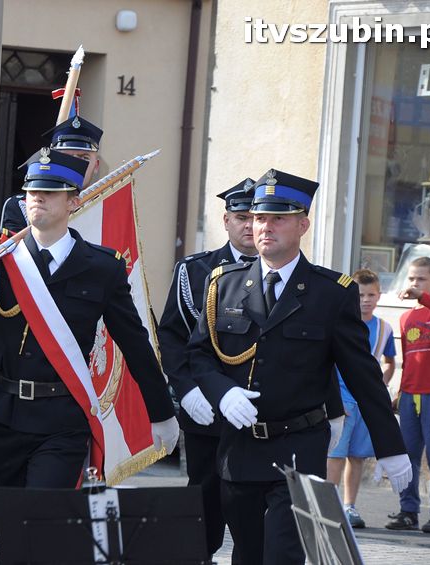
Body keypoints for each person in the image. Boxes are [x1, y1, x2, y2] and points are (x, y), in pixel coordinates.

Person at [182, 168, 410, 565]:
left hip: (298, 448)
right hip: (240, 447)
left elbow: (363, 375)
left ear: (302, 224)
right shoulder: (224, 284)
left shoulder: (332, 293)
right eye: (258, 218)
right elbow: (199, 355)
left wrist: (391, 447)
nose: (264, 227)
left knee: (282, 553)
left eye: (278, 218)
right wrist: (224, 392)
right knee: (248, 556)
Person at [0, 148, 179, 489]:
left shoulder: (101, 268)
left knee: (44, 519)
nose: (38, 199)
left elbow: (134, 343)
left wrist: (161, 412)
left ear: (73, 202)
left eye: (50, 192)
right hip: (5, 413)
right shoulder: (1, 257)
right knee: (13, 527)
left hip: (62, 415)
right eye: (33, 191)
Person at [159, 178, 256, 561]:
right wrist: (185, 389)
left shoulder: (281, 270)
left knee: (253, 507)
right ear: (226, 220)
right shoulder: (196, 270)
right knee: (204, 498)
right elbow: (172, 336)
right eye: (241, 217)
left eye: (256, 217)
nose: (249, 226)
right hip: (207, 408)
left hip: (260, 409)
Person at [385, 257, 430, 534]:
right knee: (408, 457)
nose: (415, 284)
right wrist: (401, 392)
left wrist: (423, 297)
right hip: (409, 396)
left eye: (422, 279)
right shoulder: (406, 317)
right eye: (412, 279)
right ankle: (408, 510)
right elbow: (408, 360)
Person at [326, 269, 396, 529]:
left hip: (364, 402)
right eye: (360, 295)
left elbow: (390, 363)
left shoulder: (384, 329)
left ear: (379, 296)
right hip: (341, 399)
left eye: (371, 294)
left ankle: (349, 506)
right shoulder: (338, 322)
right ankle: (329, 506)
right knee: (335, 455)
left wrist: (380, 387)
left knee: (357, 457)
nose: (365, 300)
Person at [0, 115, 103, 232]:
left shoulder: (106, 205)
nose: (75, 165)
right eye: (66, 157)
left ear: (96, 165)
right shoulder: (24, 206)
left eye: (84, 158)